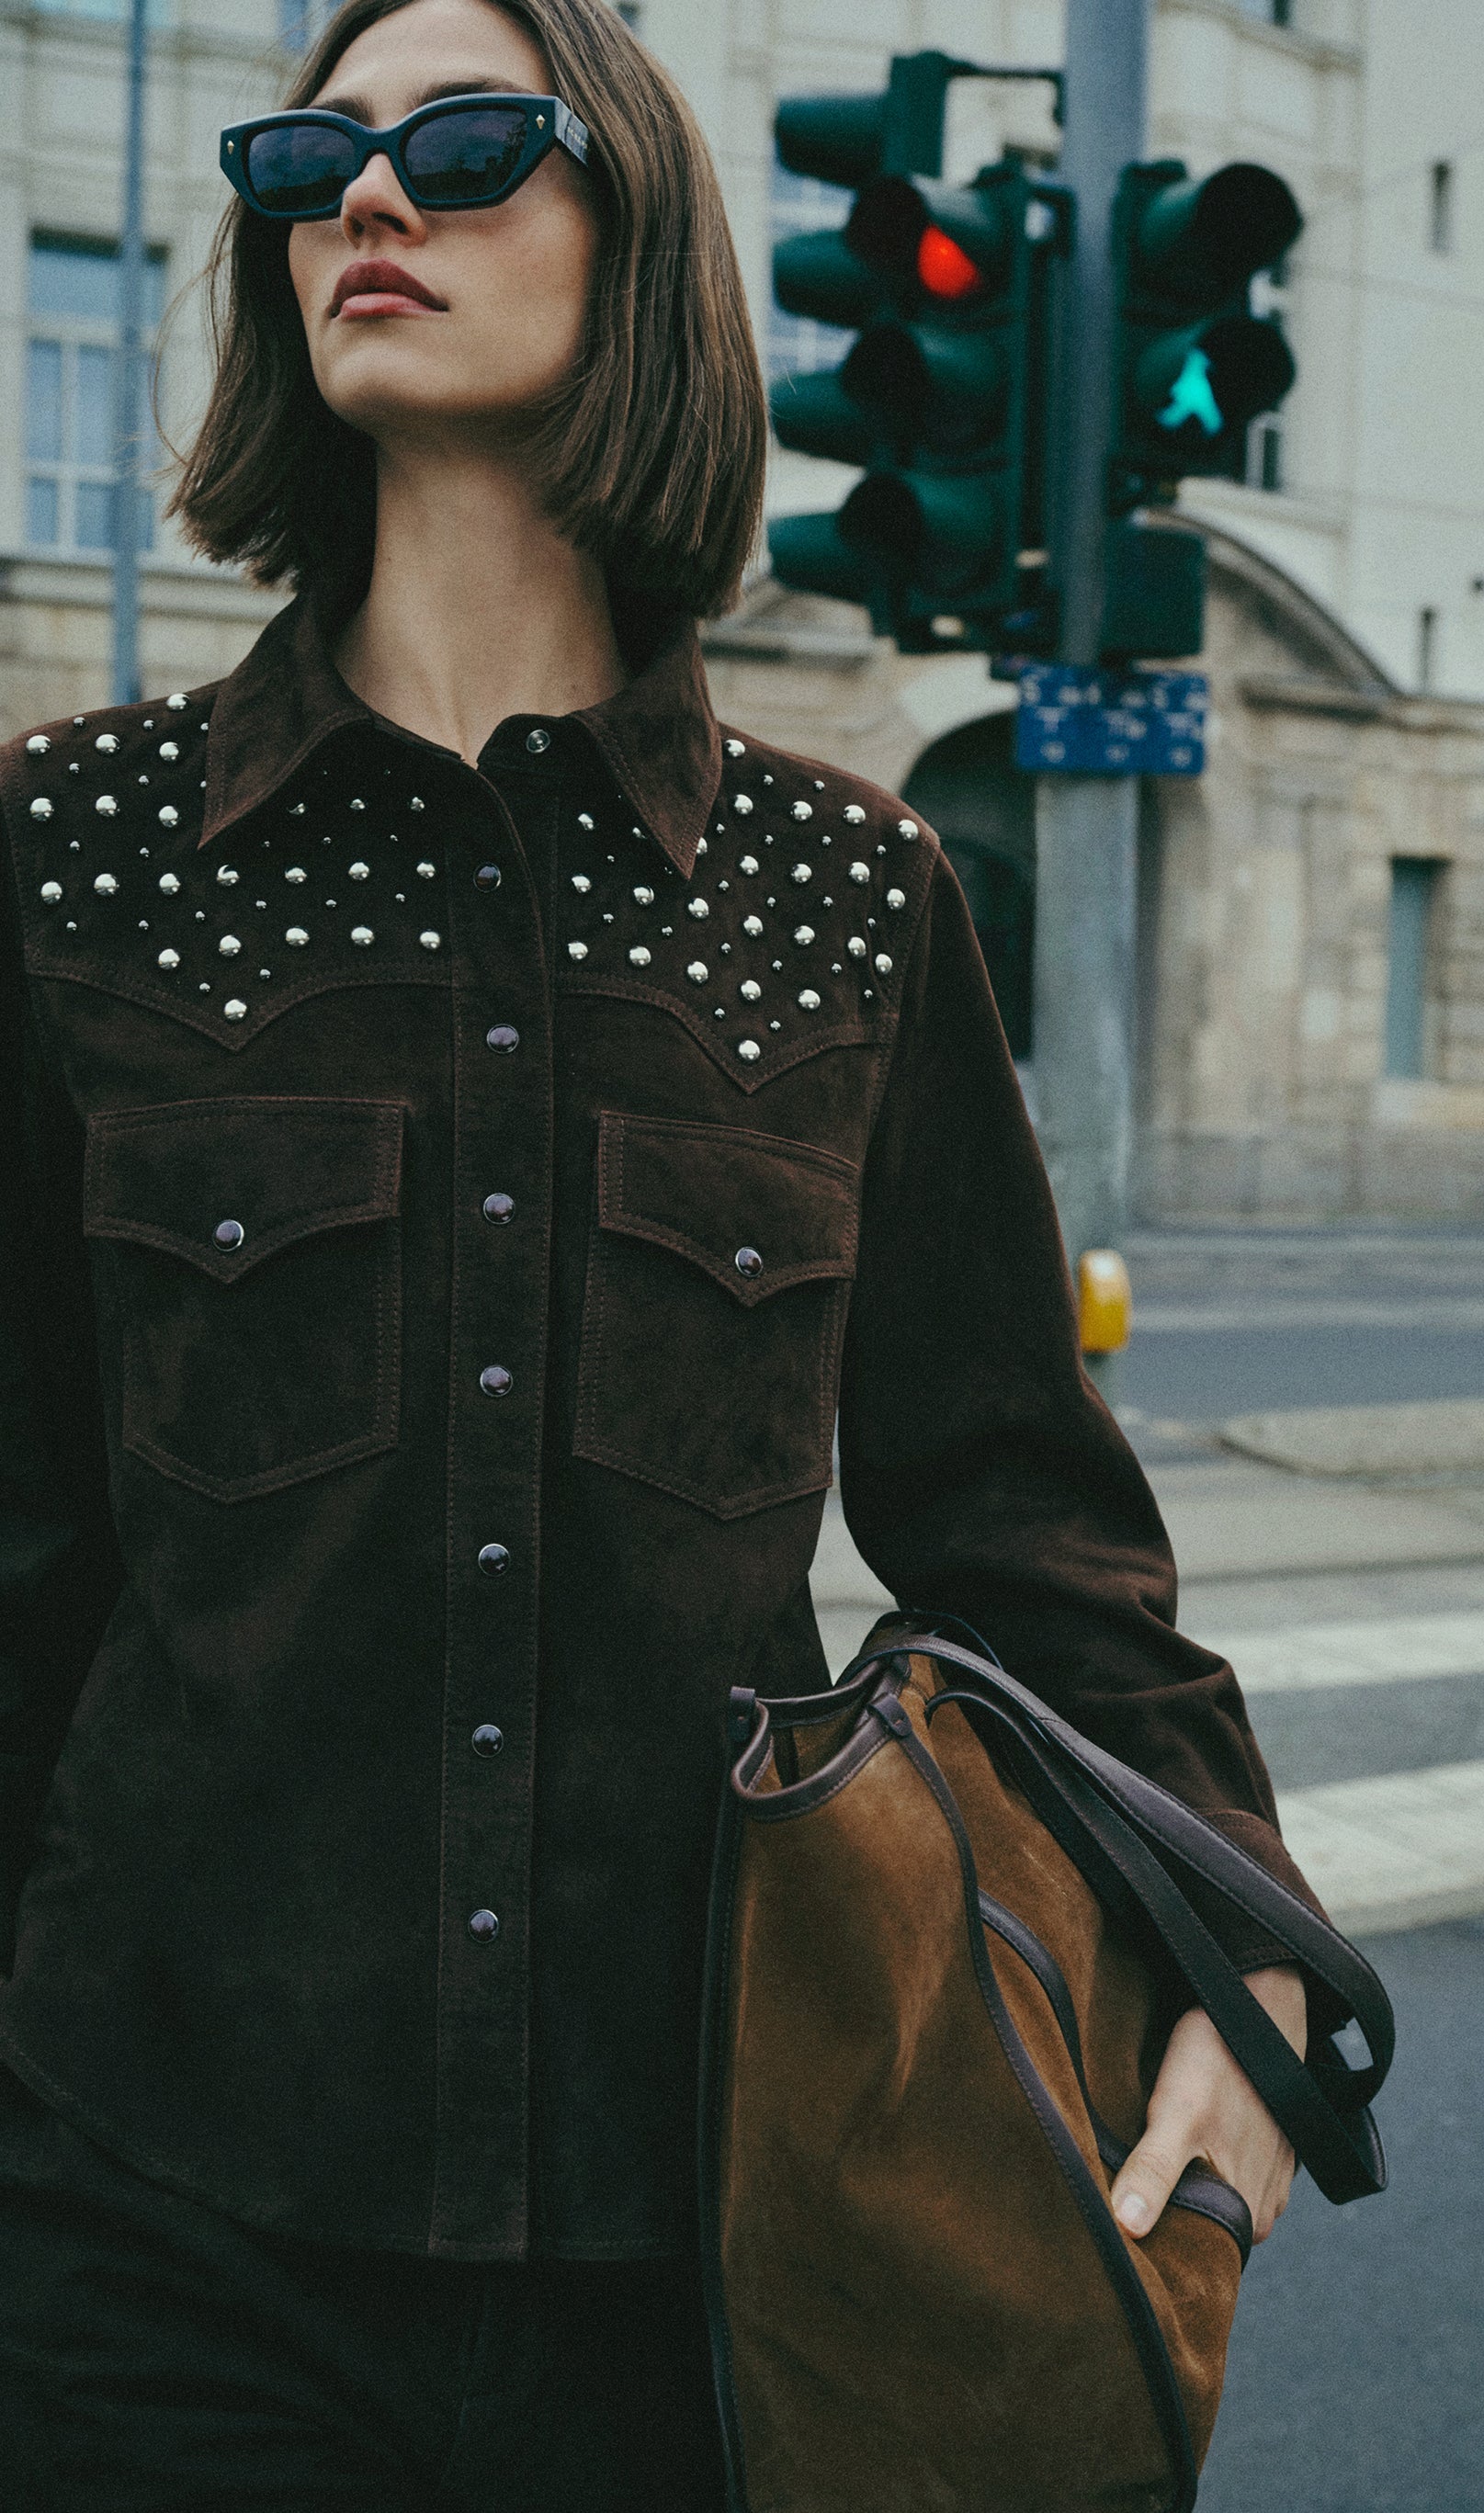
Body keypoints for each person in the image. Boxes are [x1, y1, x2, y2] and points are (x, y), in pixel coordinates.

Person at [0, 0, 1317, 2501]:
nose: (364, 202)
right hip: (147, 2236)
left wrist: (1248, 1958)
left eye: (464, 144)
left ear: (647, 243)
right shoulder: (71, 854)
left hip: (703, 2248)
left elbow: (1022, 1518)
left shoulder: (846, 900)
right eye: (314, 158)